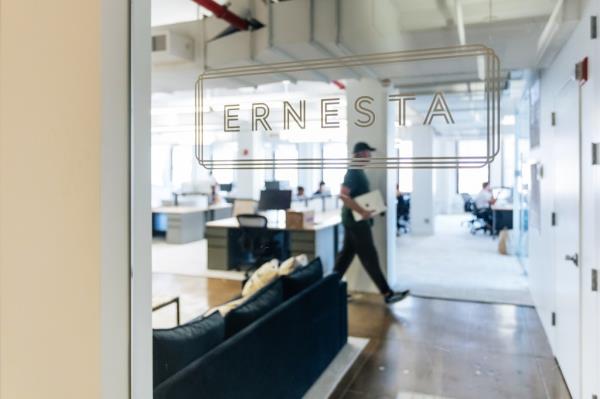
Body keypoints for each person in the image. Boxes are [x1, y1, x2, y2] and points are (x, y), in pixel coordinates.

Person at [335, 142, 410, 304]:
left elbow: (358, 197)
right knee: (370, 257)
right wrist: (362, 211)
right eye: (368, 153)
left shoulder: (358, 172)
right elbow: (343, 196)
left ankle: (330, 291)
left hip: (354, 221)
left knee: (344, 258)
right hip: (356, 222)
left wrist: (376, 207)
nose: (369, 157)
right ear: (361, 154)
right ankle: (387, 293)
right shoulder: (353, 172)